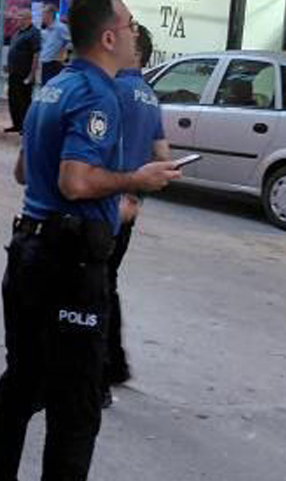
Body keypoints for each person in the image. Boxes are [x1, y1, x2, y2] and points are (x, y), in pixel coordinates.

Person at [0, 0, 181, 481]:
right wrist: (137, 180)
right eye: (131, 26)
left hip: (30, 250)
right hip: (66, 263)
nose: (136, 34)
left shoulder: (54, 88)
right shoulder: (98, 94)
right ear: (109, 37)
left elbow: (25, 172)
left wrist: (114, 201)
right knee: (76, 405)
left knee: (23, 382)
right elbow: (75, 180)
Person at [103, 25, 170, 408]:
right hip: (130, 205)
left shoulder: (112, 90)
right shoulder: (149, 95)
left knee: (93, 285)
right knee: (106, 281)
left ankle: (99, 372)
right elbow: (163, 155)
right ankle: (115, 363)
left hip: (103, 200)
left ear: (135, 51)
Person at [4, 11, 41, 133]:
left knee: (24, 101)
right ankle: (17, 124)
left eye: (20, 18)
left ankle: (26, 127)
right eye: (17, 18)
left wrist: (31, 74)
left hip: (24, 73)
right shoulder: (18, 33)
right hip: (13, 72)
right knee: (13, 99)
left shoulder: (34, 33)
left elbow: (36, 54)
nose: (17, 21)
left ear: (28, 19)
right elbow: (13, 50)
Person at [38, 2, 72, 85]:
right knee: (44, 89)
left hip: (54, 64)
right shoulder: (47, 29)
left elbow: (73, 41)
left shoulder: (60, 27)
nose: (41, 16)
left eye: (43, 14)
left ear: (49, 14)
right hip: (45, 64)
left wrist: (65, 55)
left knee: (50, 90)